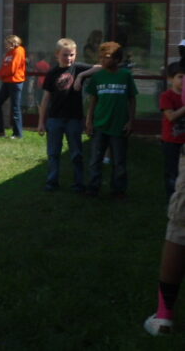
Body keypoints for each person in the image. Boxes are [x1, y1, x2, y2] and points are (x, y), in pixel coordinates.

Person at [144, 45, 185, 337]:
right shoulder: (168, 95)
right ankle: (164, 314)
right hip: (174, 147)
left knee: (180, 228)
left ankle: (164, 315)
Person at [37, 38, 92, 193]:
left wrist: (81, 76)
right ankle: (52, 182)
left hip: (74, 118)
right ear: (57, 55)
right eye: (65, 55)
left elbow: (100, 68)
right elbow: (46, 99)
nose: (68, 58)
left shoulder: (78, 68)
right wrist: (41, 122)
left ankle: (78, 183)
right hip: (55, 118)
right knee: (53, 152)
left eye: (71, 55)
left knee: (76, 153)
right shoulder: (52, 73)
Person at [85, 41, 137, 198]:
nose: (102, 60)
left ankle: (118, 190)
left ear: (117, 59)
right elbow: (93, 100)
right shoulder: (97, 76)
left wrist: (130, 121)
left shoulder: (125, 76)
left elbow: (132, 99)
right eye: (101, 57)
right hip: (100, 124)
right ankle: (93, 188)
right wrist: (89, 120)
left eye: (106, 57)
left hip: (119, 125)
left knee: (119, 161)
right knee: (95, 159)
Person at [0, 35, 27, 139]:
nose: (6, 45)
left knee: (15, 107)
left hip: (16, 82)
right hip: (7, 81)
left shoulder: (19, 51)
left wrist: (0, 76)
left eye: (7, 43)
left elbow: (12, 69)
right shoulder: (9, 53)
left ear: (13, 43)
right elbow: (4, 67)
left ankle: (17, 134)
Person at [160, 62, 185, 199]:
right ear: (170, 78)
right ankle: (172, 200)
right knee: (172, 172)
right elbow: (171, 116)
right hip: (171, 141)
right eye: (180, 77)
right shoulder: (167, 96)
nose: (184, 80)